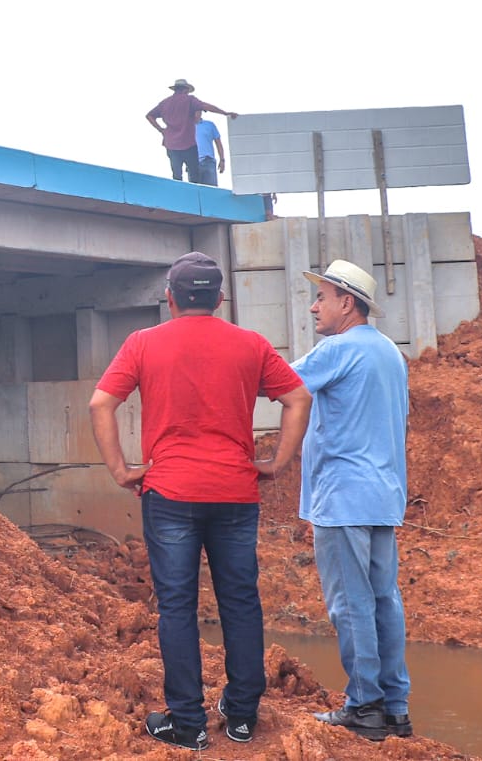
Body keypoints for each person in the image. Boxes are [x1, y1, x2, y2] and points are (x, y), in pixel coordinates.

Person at [89, 252, 313, 751]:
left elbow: (101, 402)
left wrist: (122, 470)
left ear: (169, 298)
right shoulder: (251, 344)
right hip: (235, 492)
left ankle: (187, 723)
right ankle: (241, 716)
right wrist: (275, 462)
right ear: (219, 298)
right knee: (239, 601)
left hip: (169, 493)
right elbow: (299, 398)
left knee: (177, 607)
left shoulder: (143, 343)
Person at [291, 260, 413, 742]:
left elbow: (276, 383)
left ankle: (364, 705)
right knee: (385, 599)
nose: (314, 305)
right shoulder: (390, 353)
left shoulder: (336, 349)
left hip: (342, 497)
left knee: (350, 603)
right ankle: (395, 709)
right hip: (383, 495)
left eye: (322, 296)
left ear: (347, 303)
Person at [146, 79, 236, 182]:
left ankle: (179, 193)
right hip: (187, 144)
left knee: (177, 176)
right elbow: (206, 106)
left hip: (171, 144)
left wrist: (161, 130)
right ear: (186, 90)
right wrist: (224, 113)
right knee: (194, 175)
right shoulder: (189, 100)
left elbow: (149, 115)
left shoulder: (165, 103)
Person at [195, 110, 226, 186]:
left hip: (208, 161)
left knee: (212, 190)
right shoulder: (186, 127)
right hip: (193, 163)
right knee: (195, 192)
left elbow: (218, 143)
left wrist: (222, 160)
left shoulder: (209, 125)